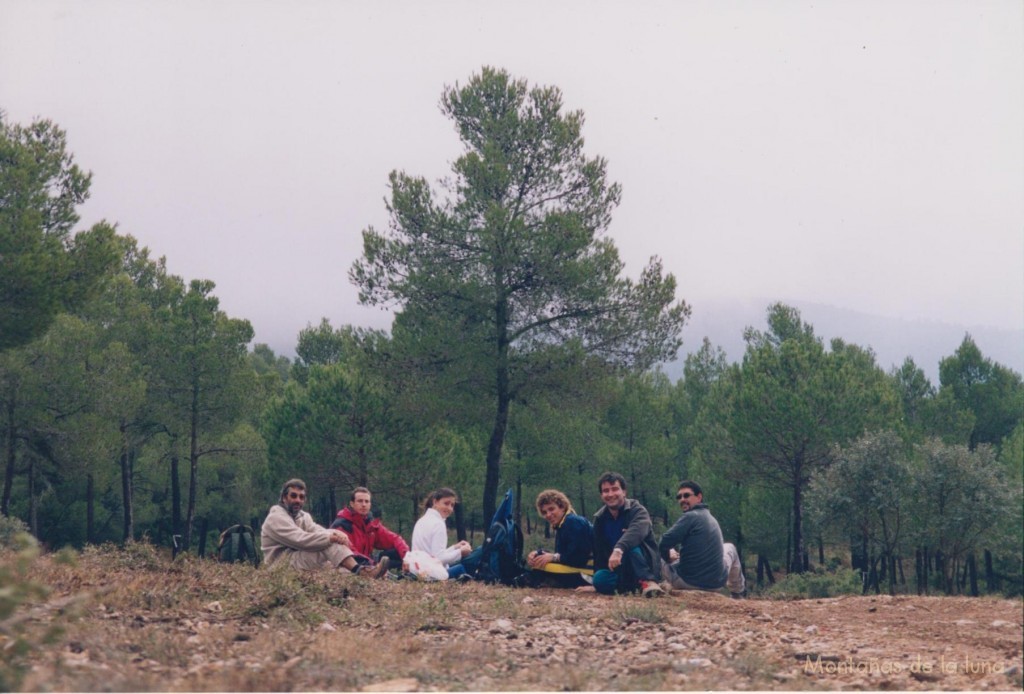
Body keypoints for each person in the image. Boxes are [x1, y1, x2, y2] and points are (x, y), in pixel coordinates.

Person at [261, 478, 389, 578]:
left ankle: (372, 574)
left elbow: (317, 530)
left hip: (297, 559)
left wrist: (336, 533)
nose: (298, 500)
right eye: (293, 496)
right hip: (280, 565)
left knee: (337, 567)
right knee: (330, 544)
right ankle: (362, 572)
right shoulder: (276, 517)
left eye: (301, 497)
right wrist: (332, 537)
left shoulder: (302, 516)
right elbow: (300, 540)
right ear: (284, 498)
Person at [579, 472, 664, 597]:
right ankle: (634, 587)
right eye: (606, 491)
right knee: (599, 579)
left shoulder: (637, 510)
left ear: (624, 492)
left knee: (630, 543)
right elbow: (599, 552)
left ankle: (648, 582)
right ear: (601, 495)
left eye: (615, 489)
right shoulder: (600, 518)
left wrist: (619, 548)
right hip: (620, 570)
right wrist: (596, 585)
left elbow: (637, 531)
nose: (610, 494)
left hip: (644, 565)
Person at [658, 480, 746, 598]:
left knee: (651, 550)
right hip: (716, 583)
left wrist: (668, 557)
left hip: (688, 582)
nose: (682, 499)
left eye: (686, 495)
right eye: (679, 497)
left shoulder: (690, 516)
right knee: (730, 548)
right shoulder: (711, 518)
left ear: (699, 497)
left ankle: (646, 585)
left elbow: (663, 542)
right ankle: (737, 593)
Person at [522, 489, 593, 588]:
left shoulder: (573, 522)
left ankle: (536, 581)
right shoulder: (562, 525)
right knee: (538, 557)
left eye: (551, 509)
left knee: (540, 566)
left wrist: (553, 557)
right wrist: (540, 553)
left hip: (590, 572)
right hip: (580, 568)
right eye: (544, 512)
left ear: (562, 507)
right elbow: (564, 554)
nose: (548, 515)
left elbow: (578, 558)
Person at [330, 486, 409, 568]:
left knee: (397, 553)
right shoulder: (342, 525)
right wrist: (373, 565)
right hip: (350, 566)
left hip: (367, 563)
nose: (364, 505)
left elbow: (394, 539)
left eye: (367, 501)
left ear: (370, 504)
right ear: (352, 504)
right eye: (360, 501)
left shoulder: (370, 523)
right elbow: (351, 553)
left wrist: (407, 558)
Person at [410, 487, 473, 579]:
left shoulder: (422, 520)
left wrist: (454, 548)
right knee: (462, 567)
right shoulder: (438, 524)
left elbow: (432, 554)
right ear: (435, 502)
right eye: (446, 503)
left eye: (452, 505)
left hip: (418, 570)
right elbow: (439, 558)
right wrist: (461, 552)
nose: (449, 508)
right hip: (430, 574)